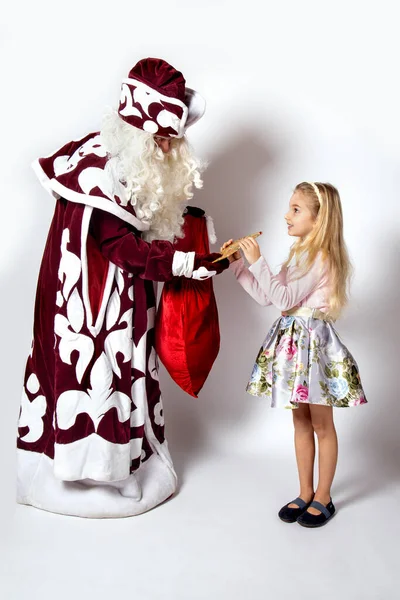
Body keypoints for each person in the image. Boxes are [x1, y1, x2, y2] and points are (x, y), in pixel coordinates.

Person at [17, 57, 228, 518]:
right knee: (98, 377)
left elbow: (139, 224)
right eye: (166, 140)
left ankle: (113, 471)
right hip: (91, 304)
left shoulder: (114, 157)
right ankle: (89, 473)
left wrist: (190, 231)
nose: (173, 150)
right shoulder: (101, 172)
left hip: (112, 295)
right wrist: (183, 263)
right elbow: (124, 248)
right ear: (145, 134)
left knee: (115, 375)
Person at [222, 182, 367, 528]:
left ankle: (324, 496)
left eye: (296, 209)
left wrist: (257, 260)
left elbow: (286, 301)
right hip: (292, 344)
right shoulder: (298, 254)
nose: (287, 215)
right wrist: (239, 265)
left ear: (318, 220)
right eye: (289, 208)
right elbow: (267, 296)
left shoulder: (321, 257)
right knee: (300, 421)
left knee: (321, 423)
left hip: (314, 346)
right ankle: (305, 492)